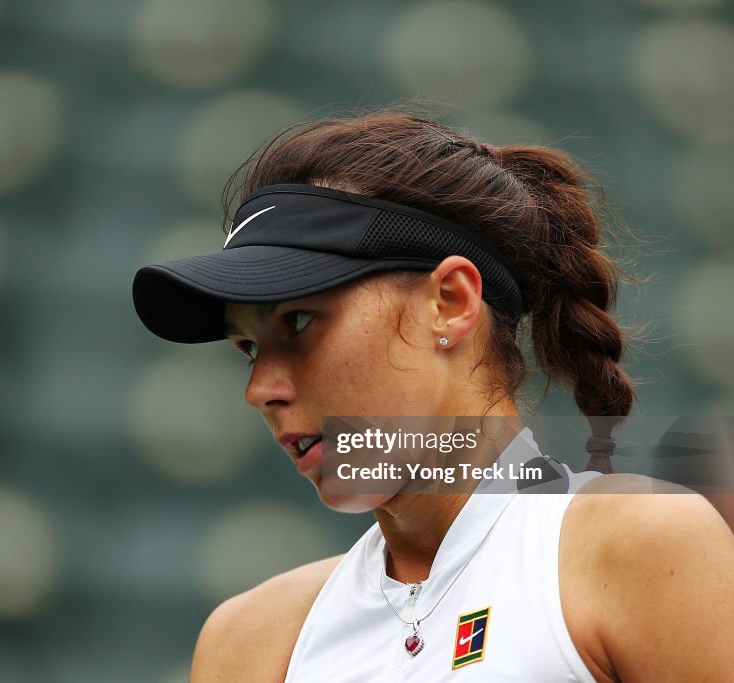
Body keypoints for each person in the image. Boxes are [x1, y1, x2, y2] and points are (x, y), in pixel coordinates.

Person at [131, 110, 734, 681]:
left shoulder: (646, 544)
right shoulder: (248, 641)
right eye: (249, 348)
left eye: (299, 321)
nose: (260, 390)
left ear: (449, 303)